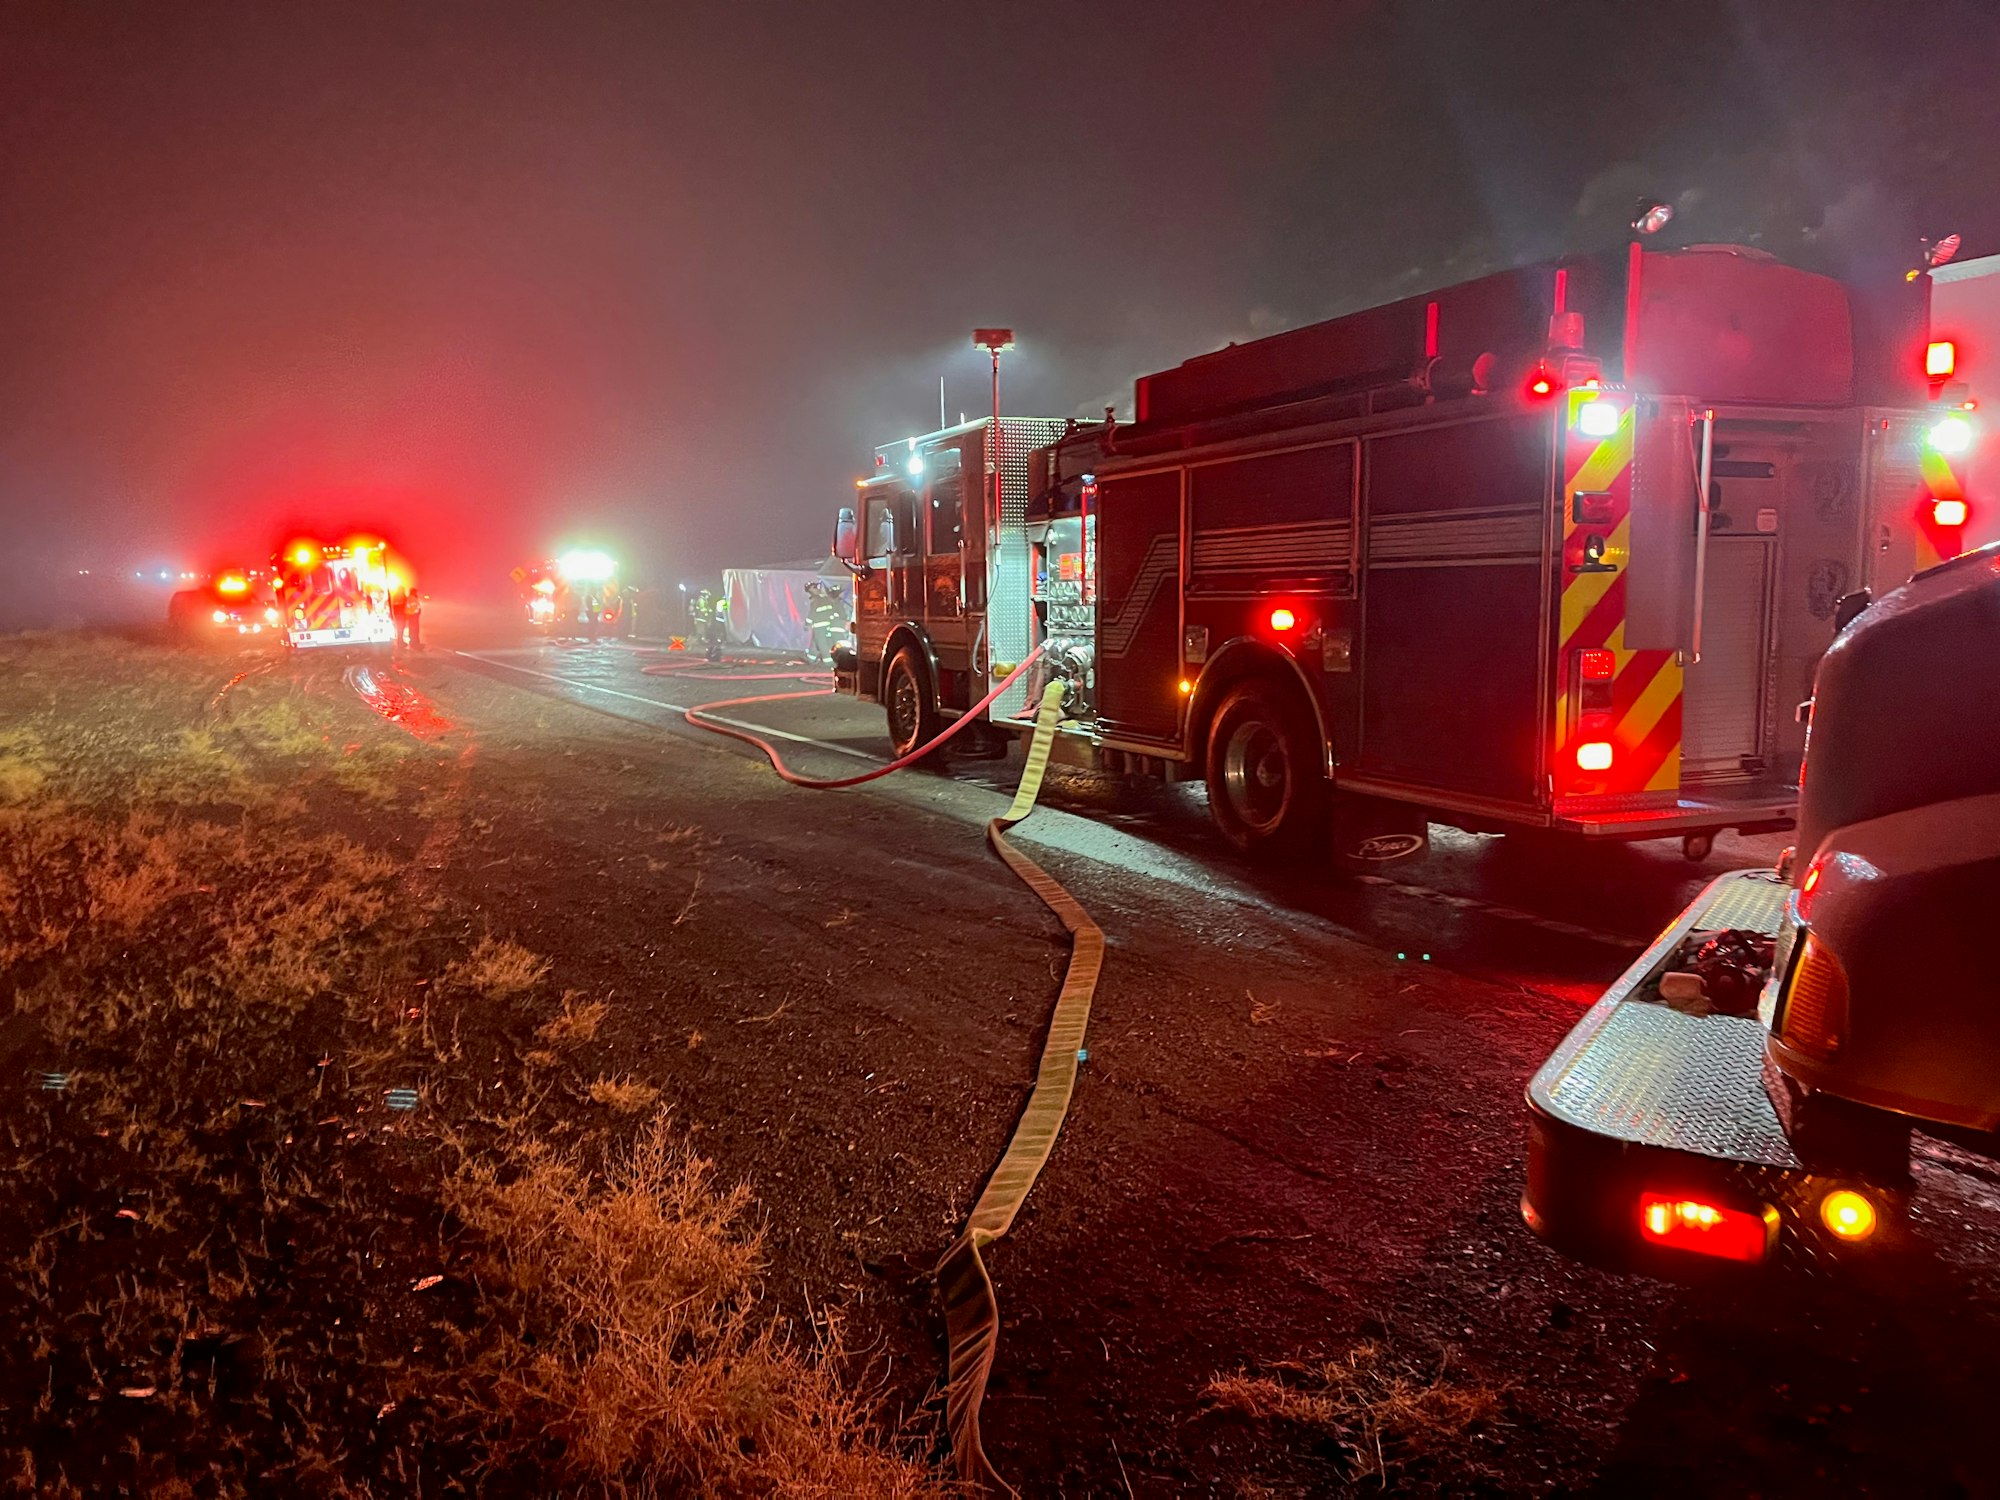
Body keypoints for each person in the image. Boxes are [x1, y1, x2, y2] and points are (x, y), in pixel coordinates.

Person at [804, 579, 844, 664]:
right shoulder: (821, 598)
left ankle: (828, 661)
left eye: (816, 587)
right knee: (817, 642)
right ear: (810, 590)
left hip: (820, 625)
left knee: (822, 643)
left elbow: (812, 612)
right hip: (825, 624)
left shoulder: (820, 599)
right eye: (814, 587)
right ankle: (811, 659)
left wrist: (807, 623)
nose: (817, 588)